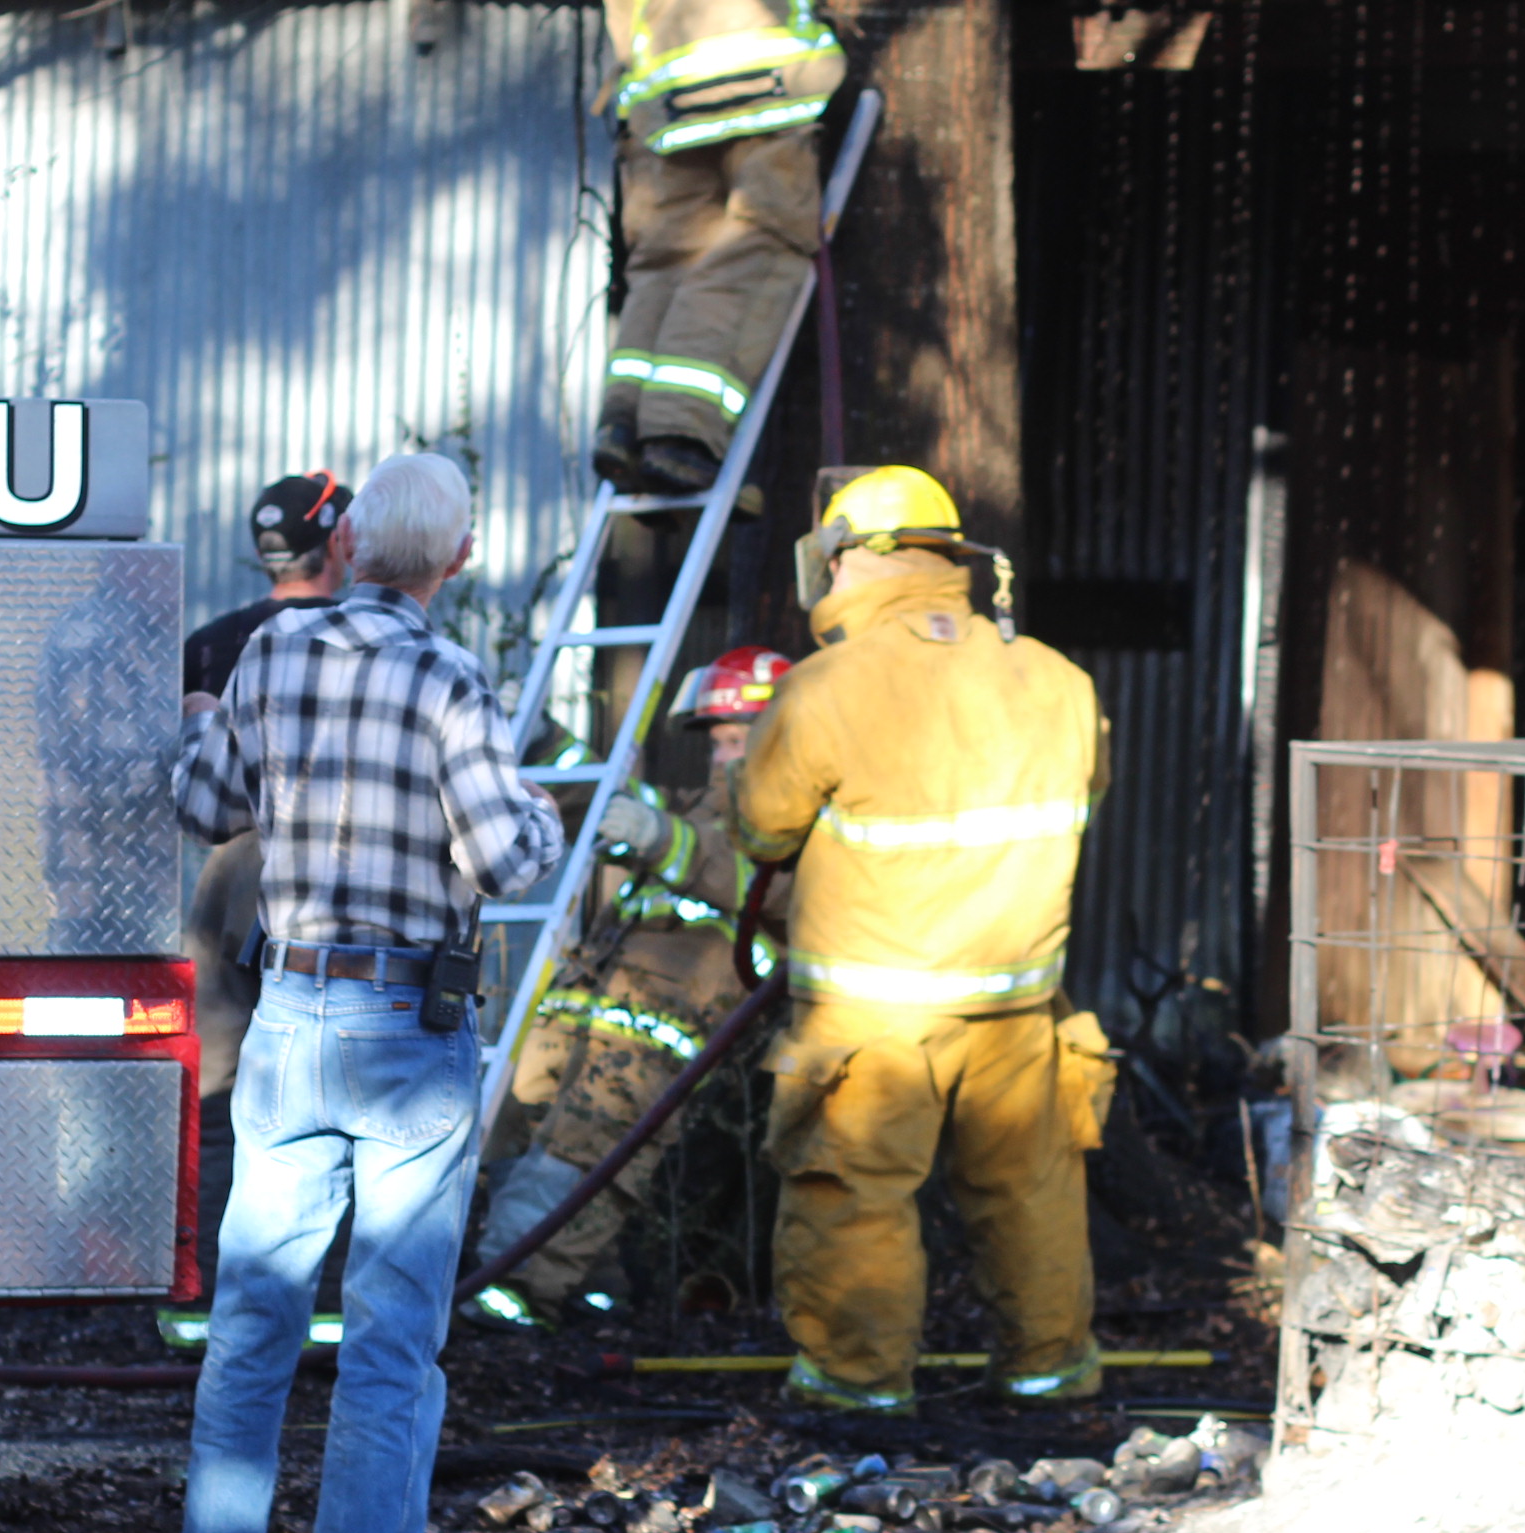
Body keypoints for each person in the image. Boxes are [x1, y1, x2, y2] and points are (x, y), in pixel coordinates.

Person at [167, 452, 565, 1533]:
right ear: (459, 559)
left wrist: (209, 731)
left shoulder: (272, 653)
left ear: (348, 548)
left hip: (291, 1015)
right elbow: (506, 860)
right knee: (390, 1343)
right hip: (409, 1030)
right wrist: (540, 811)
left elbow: (203, 806)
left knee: (252, 1328)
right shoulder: (450, 678)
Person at [732, 466, 1115, 1414]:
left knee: (851, 1197)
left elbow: (763, 830)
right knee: (1031, 1194)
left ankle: (856, 1385)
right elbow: (1086, 795)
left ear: (847, 560)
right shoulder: (1059, 682)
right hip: (1018, 1006)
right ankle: (1049, 1372)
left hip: (873, 1016)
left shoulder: (824, 688)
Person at [466, 646, 792, 1332]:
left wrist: (661, 840)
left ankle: (517, 1284)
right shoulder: (698, 806)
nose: (722, 756)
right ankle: (585, 1285)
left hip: (662, 1017)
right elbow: (606, 801)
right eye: (718, 741)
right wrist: (542, 740)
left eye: (738, 741)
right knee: (519, 1125)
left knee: (588, 1144)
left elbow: (768, 891)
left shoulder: (789, 831)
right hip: (586, 1002)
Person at [161, 473, 358, 1354]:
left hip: (227, 876)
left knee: (215, 1094)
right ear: (340, 540)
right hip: (333, 877)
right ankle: (327, 1312)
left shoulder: (211, 646)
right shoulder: (370, 639)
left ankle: (198, 1304)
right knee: (337, 1091)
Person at [593, 0, 846, 497]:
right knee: (760, 247)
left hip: (663, 97)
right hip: (769, 79)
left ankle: (623, 421)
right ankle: (681, 431)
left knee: (666, 263)